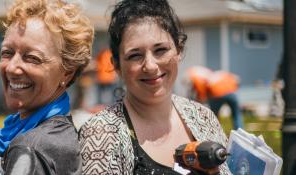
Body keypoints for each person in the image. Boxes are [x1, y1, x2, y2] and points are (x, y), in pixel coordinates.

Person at [79, 0, 231, 174]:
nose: (150, 66)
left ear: (179, 50)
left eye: (160, 50)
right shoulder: (100, 134)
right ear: (117, 66)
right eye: (135, 55)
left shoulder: (204, 118)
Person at [0, 0, 94, 174]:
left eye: (32, 58)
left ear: (67, 72)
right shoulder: (55, 132)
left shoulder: (31, 149)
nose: (11, 67)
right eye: (7, 53)